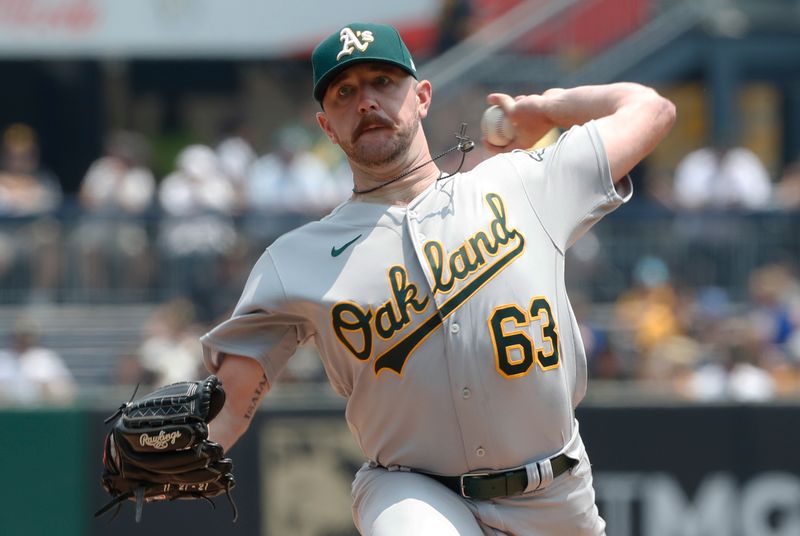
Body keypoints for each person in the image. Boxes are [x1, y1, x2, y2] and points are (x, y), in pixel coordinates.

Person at [200, 22, 675, 535]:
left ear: (422, 97)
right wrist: (144, 462)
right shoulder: (295, 260)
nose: (365, 102)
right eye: (344, 93)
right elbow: (231, 403)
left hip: (555, 493)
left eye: (383, 82)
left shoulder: (523, 183)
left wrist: (552, 106)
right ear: (327, 126)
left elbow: (651, 110)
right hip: (412, 489)